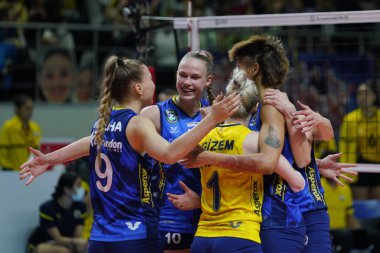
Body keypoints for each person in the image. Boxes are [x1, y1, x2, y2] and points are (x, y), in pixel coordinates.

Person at [19, 55, 240, 253]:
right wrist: (212, 120)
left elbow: (91, 143)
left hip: (100, 237)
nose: (154, 82)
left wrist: (50, 159)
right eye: (149, 79)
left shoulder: (102, 124)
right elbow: (171, 154)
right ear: (139, 89)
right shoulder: (139, 124)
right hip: (135, 233)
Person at [167, 67, 305, 253]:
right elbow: (298, 183)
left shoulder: (202, 138)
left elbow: (174, 152)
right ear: (255, 107)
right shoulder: (254, 140)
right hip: (240, 234)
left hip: (203, 236)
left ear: (225, 102)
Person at [140, 50, 215, 253]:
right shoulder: (154, 114)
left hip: (211, 217)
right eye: (182, 75)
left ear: (208, 81)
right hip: (169, 218)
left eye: (195, 77)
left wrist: (200, 202)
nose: (187, 82)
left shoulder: (218, 115)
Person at [26, 171, 88, 253]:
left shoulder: (80, 207)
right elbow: (58, 239)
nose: (82, 189)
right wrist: (76, 242)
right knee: (64, 251)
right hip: (42, 243)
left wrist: (82, 245)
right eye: (78, 185)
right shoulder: (47, 208)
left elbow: (78, 236)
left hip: (67, 243)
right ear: (67, 189)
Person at [339, 82, 380, 200]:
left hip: (378, 165)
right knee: (361, 209)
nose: (363, 97)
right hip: (359, 167)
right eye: (360, 94)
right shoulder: (350, 120)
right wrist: (345, 174)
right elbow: (344, 149)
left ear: (374, 96)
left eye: (366, 93)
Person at [0, 94, 42, 171]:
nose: (30, 111)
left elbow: (37, 153)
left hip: (29, 172)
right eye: (27, 108)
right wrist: (8, 170)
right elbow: (2, 153)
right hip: (11, 173)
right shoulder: (8, 127)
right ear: (17, 109)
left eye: (31, 108)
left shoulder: (35, 127)